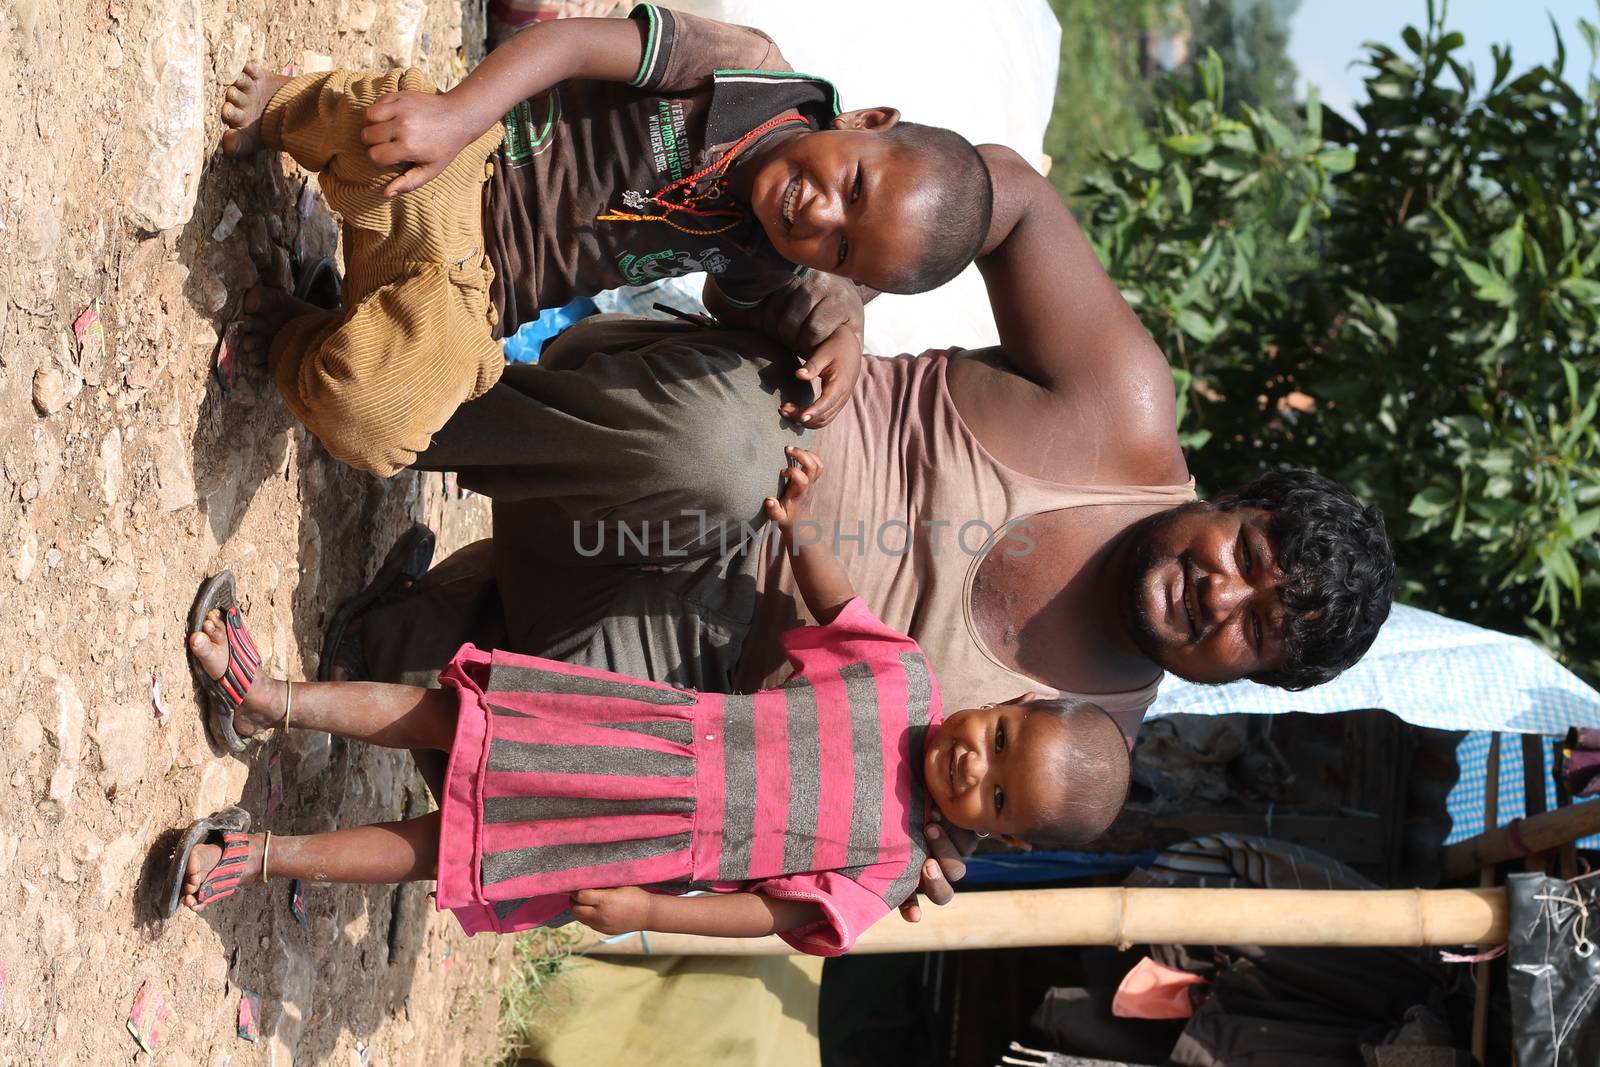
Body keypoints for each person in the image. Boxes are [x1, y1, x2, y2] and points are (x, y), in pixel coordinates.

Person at [169, 449, 1130, 954]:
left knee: (441, 851)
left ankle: (259, 856)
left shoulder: (885, 873)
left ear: (996, 836)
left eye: (996, 795)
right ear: (1005, 700)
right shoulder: (904, 678)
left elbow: (775, 919)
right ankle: (268, 697)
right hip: (624, 727)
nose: (974, 763)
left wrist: (647, 912)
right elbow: (837, 605)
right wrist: (801, 530)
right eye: (1000, 737)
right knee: (448, 719)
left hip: (635, 848)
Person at [217, 3, 993, 474]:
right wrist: (458, 114)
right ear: (867, 122)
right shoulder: (751, 74)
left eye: (842, 249)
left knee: (375, 422)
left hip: (478, 297)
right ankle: (286, 110)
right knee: (381, 123)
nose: (820, 216)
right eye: (853, 185)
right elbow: (576, 45)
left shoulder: (765, 254)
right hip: (465, 167)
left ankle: (300, 329)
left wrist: (839, 325)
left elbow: (741, 303)